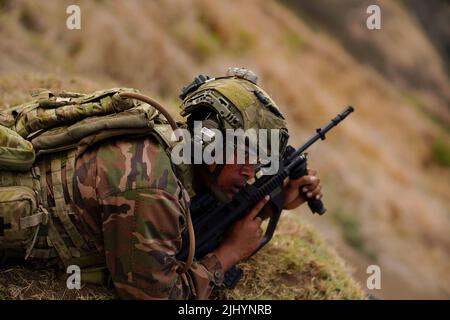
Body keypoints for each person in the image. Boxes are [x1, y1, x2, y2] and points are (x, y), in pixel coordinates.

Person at [71, 68, 323, 299]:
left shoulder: (181, 152)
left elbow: (206, 209)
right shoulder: (153, 189)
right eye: (246, 156)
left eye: (258, 163)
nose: (250, 173)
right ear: (210, 144)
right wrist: (227, 255)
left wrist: (276, 201)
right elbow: (159, 296)